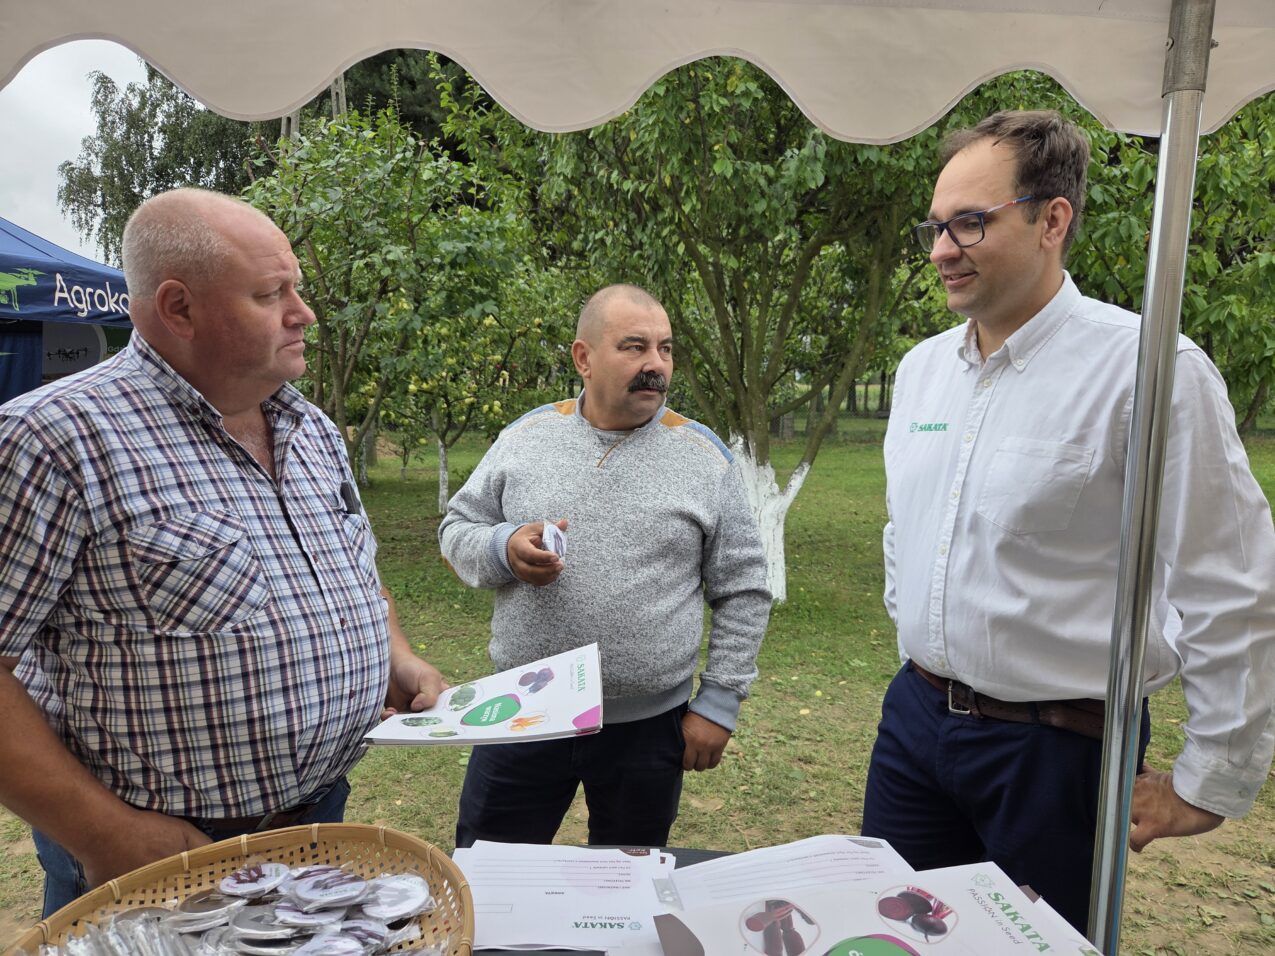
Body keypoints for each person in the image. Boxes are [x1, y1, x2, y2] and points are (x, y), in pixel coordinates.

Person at [863, 110, 1275, 933]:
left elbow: (1228, 581)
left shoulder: (1149, 370)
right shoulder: (919, 374)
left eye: (969, 223)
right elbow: (904, 536)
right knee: (886, 939)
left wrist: (1210, 779)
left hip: (1056, 752)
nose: (942, 248)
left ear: (1052, 219)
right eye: (935, 227)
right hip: (913, 725)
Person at [0, 188, 446, 916]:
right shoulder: (53, 439)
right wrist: (104, 832)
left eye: (295, 288)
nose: (304, 313)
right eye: (272, 294)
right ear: (178, 308)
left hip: (315, 823)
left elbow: (356, 572)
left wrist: (395, 655)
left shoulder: (309, 428)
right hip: (158, 855)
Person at [439, 283, 771, 848]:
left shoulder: (702, 456)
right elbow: (456, 528)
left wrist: (719, 702)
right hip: (523, 711)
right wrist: (504, 549)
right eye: (634, 347)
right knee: (493, 867)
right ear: (583, 358)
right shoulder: (526, 438)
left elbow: (743, 589)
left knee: (627, 881)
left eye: (665, 349)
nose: (655, 366)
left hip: (647, 728)